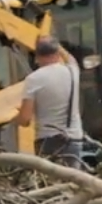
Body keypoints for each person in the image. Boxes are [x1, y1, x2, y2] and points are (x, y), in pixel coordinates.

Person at [17, 36, 83, 168]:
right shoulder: (73, 71)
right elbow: (71, 59)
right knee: (73, 183)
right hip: (74, 139)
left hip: (47, 141)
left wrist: (15, 117)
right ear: (57, 53)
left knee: (51, 184)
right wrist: (58, 46)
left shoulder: (33, 79)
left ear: (37, 57)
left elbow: (25, 119)